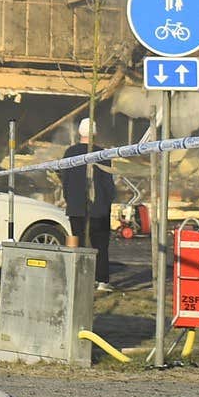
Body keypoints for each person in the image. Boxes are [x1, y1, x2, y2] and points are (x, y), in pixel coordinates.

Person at [58, 117, 116, 289]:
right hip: (98, 209)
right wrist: (107, 204)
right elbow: (108, 185)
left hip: (76, 207)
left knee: (79, 244)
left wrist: (70, 200)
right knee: (100, 245)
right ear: (95, 133)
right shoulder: (102, 154)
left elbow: (65, 181)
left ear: (79, 133)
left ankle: (80, 279)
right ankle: (102, 280)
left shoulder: (70, 153)